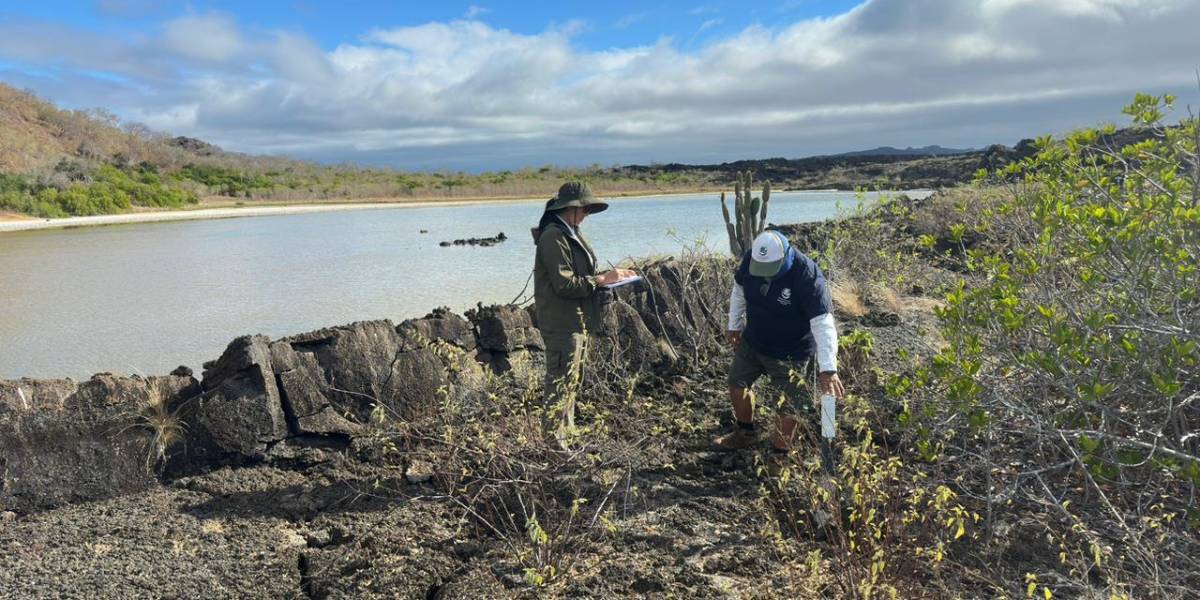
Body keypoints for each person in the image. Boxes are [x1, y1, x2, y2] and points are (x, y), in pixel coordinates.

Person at [713, 229, 845, 471]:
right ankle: (745, 432)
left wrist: (828, 369)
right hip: (755, 341)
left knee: (790, 406)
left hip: (792, 351)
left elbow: (823, 322)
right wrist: (734, 324)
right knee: (736, 382)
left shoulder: (807, 275)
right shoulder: (752, 259)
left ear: (786, 256)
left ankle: (779, 455)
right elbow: (739, 290)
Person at [532, 181, 635, 438]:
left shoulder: (570, 231)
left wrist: (610, 277)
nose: (588, 214)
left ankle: (568, 435)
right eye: (586, 209)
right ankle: (555, 444)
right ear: (572, 208)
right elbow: (565, 284)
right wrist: (602, 279)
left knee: (571, 380)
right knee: (560, 383)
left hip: (575, 320)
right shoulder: (554, 236)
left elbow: (578, 275)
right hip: (561, 322)